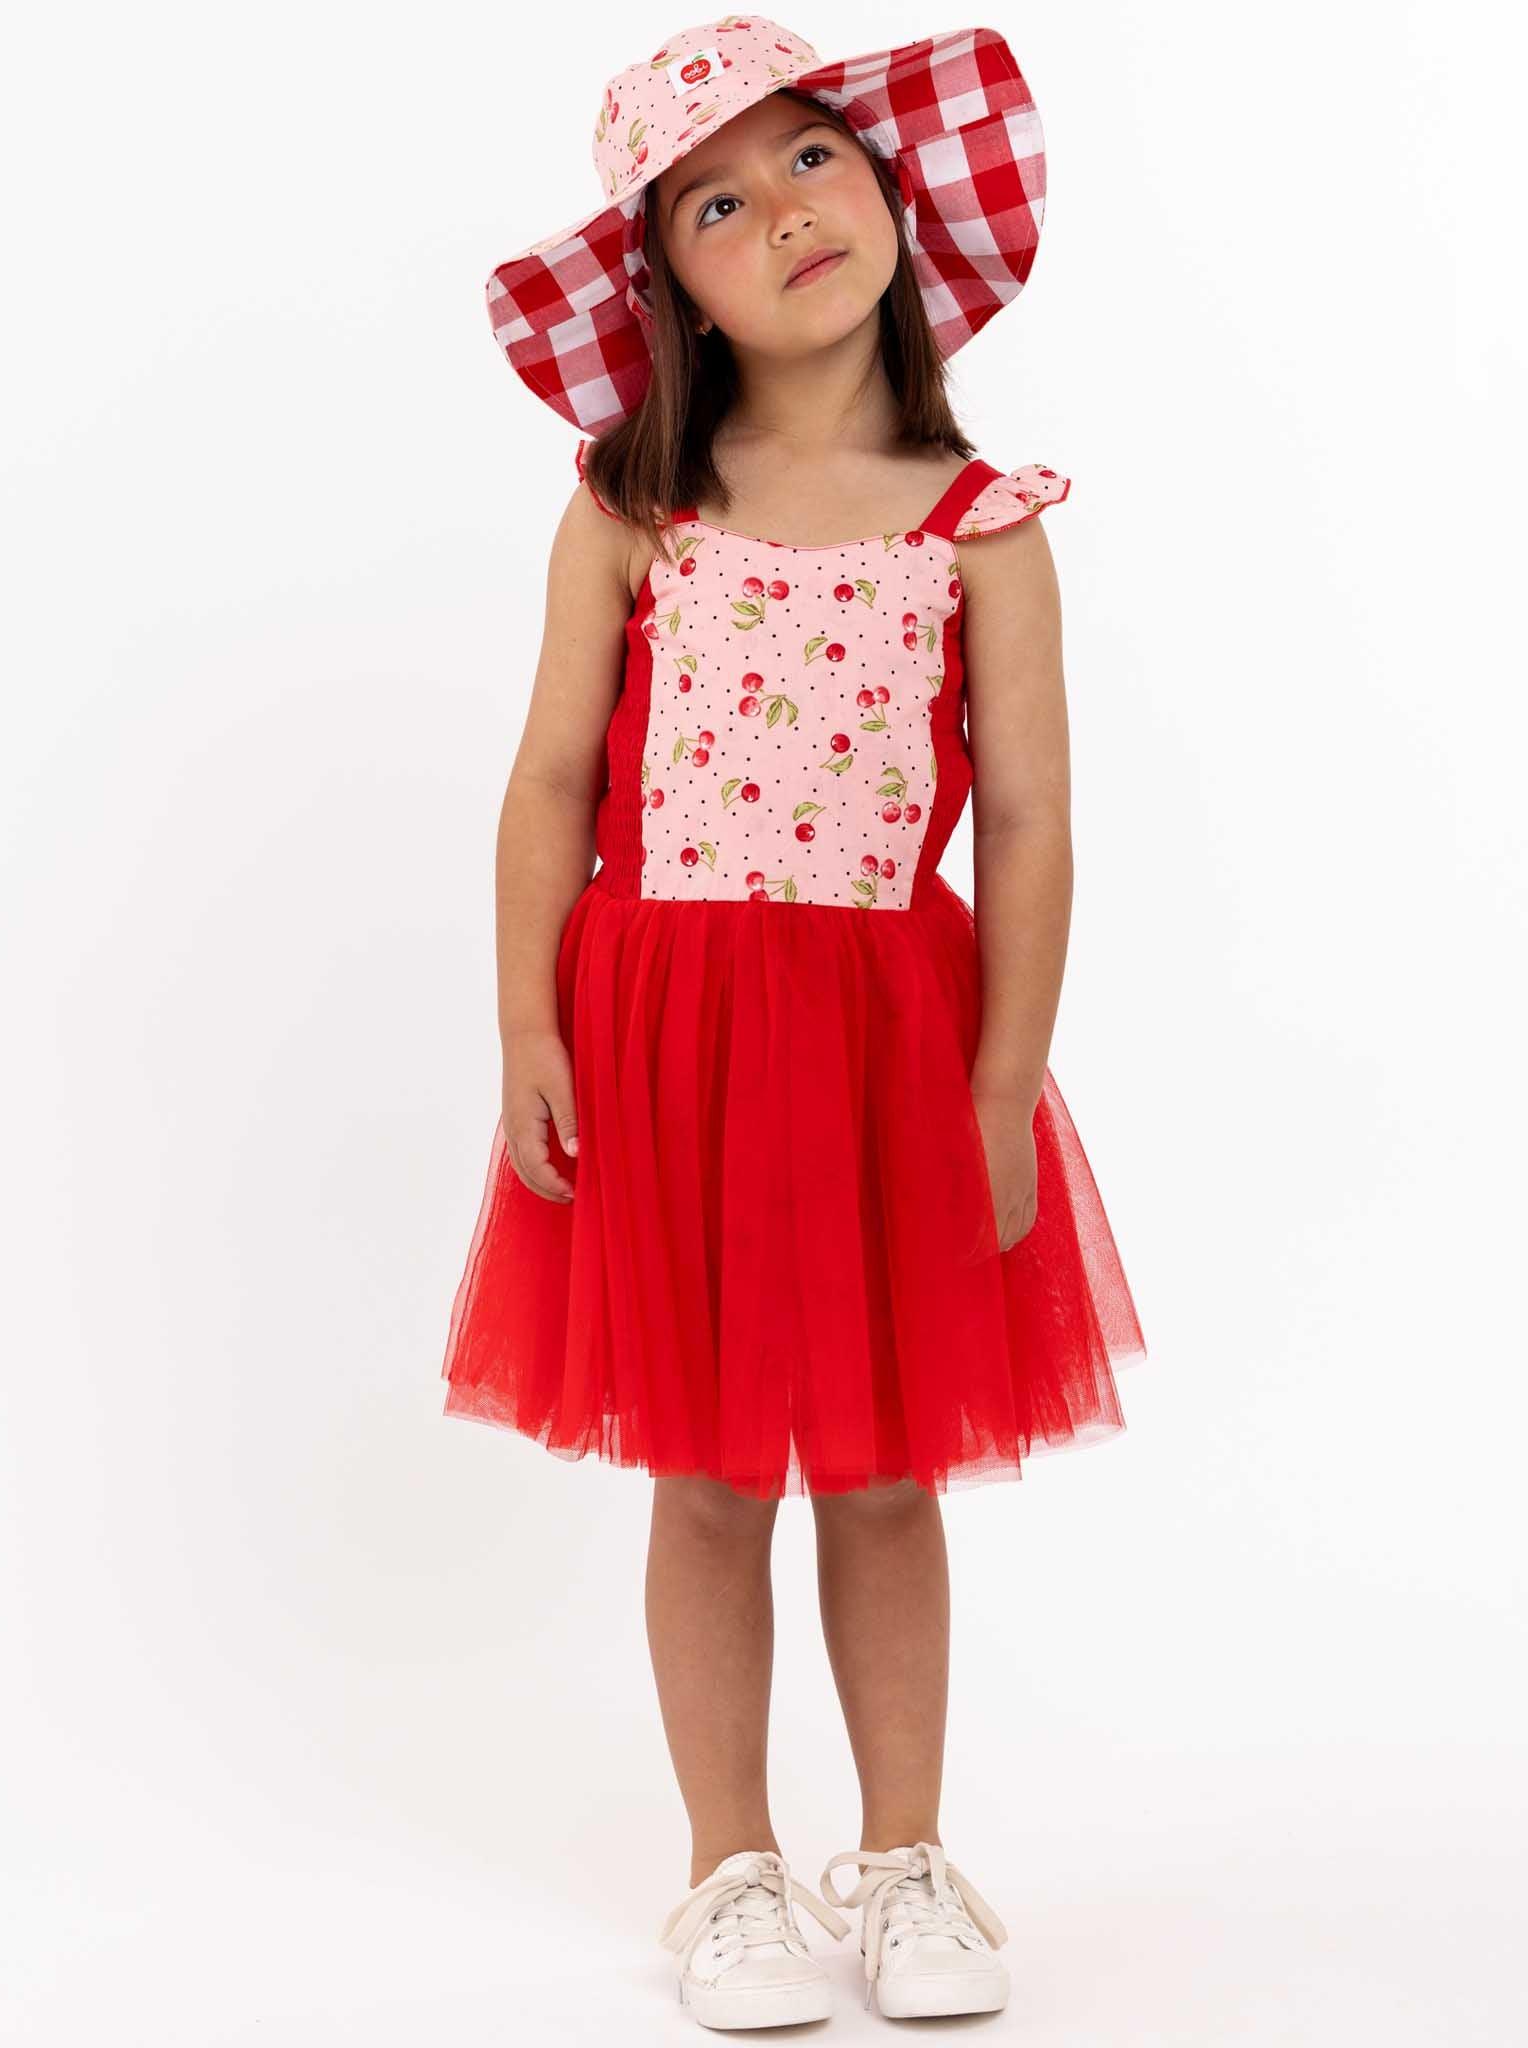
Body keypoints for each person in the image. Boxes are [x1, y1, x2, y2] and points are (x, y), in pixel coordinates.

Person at [440, 16, 1147, 2028]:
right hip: (663, 1032)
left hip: (878, 1046)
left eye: (813, 158)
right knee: (706, 1473)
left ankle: (908, 1852)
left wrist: (1005, 1078)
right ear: (672, 281)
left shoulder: (982, 521)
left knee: (889, 1467)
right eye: (716, 203)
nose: (784, 214)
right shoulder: (629, 507)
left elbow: (1026, 820)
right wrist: (526, 1029)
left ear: (895, 190)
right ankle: (726, 1868)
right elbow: (551, 784)